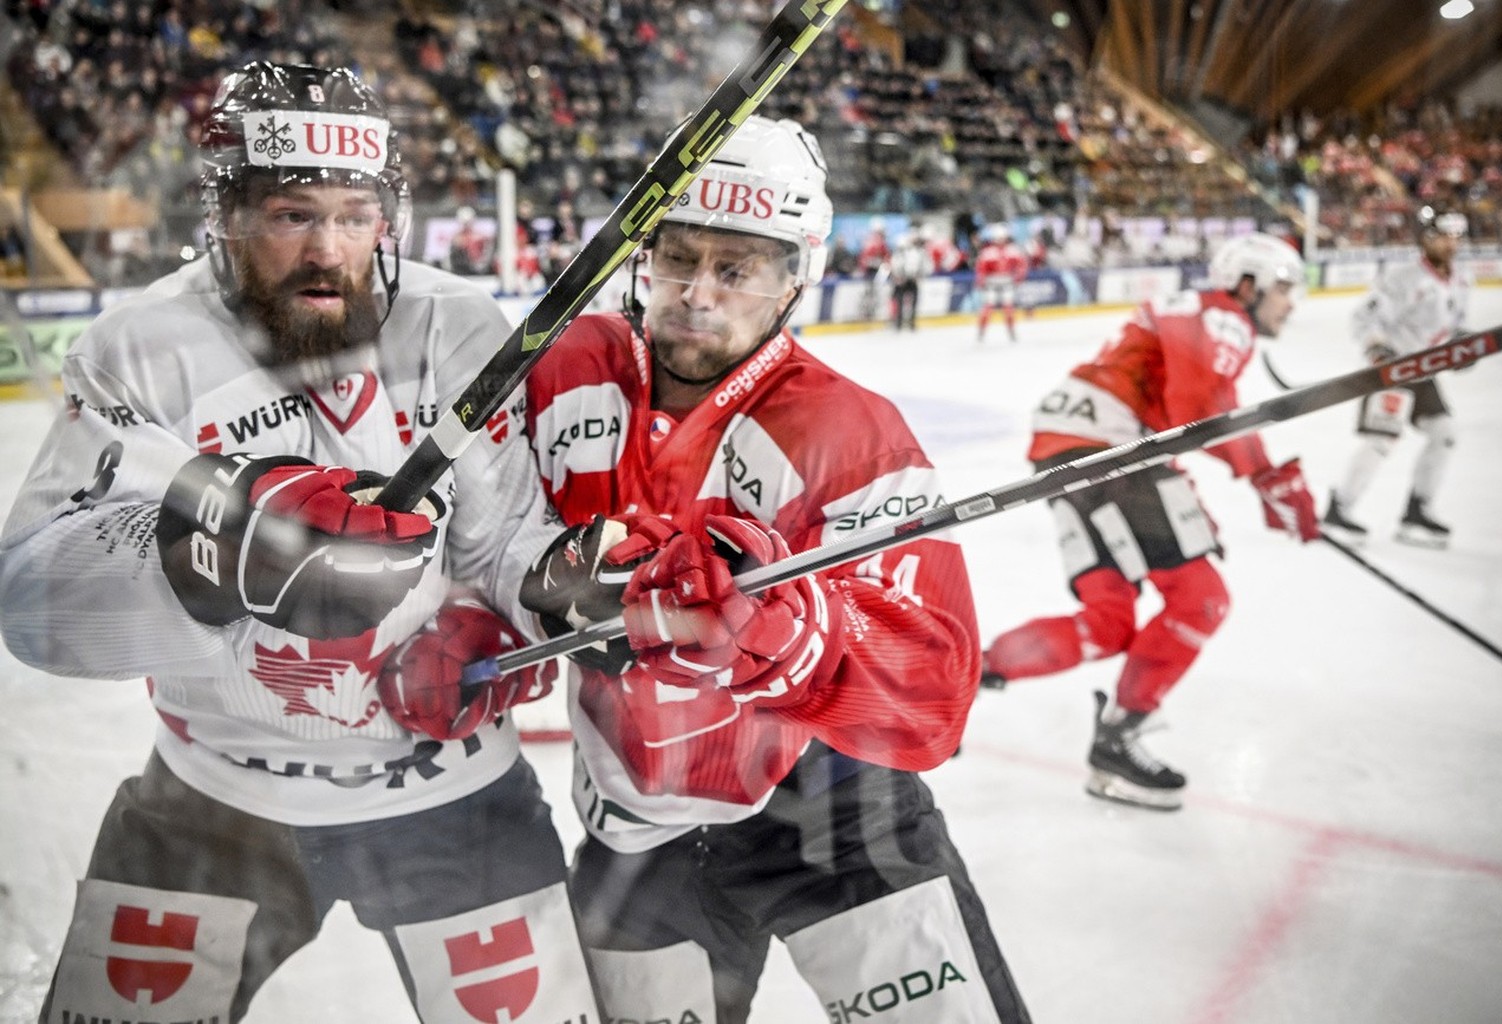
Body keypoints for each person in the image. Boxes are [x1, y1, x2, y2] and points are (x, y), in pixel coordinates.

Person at [0, 62, 603, 1023]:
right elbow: (31, 601)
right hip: (213, 799)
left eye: (355, 215)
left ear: (388, 218)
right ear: (229, 216)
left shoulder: (455, 324)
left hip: (456, 794)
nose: (329, 249)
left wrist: (525, 611)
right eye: (291, 213)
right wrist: (226, 542)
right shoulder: (140, 346)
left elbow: (499, 544)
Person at [510, 115, 1029, 1022]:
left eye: (736, 267)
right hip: (637, 842)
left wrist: (801, 632)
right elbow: (473, 539)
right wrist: (530, 578)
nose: (698, 293)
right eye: (678, 257)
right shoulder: (563, 370)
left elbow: (936, 694)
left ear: (796, 280)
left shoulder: (851, 432)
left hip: (837, 811)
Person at [979, 233, 1321, 812]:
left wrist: (1262, 473)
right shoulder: (1224, 316)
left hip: (1067, 448)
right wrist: (1270, 476)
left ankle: (962, 677)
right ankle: (1118, 740)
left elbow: (1199, 407)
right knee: (1200, 600)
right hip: (1111, 449)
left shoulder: (1195, 312)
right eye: (1284, 288)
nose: (1292, 304)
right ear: (1248, 284)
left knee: (1107, 622)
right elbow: (1202, 410)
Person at [1322, 207, 1473, 548]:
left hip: (1425, 372)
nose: (1451, 244)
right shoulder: (1404, 278)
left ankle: (1416, 512)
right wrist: (1378, 350)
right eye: (1443, 236)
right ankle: (1339, 509)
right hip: (1394, 371)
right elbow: (1365, 318)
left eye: (1456, 237)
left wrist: (1462, 349)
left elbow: (1453, 327)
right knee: (1381, 441)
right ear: (1427, 238)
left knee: (1444, 435)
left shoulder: (1463, 280)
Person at [974, 222, 1027, 343]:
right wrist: (981, 281)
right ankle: (982, 331)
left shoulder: (1012, 250)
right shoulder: (988, 252)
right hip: (991, 283)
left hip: (1007, 282)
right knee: (988, 307)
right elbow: (981, 269)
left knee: (1008, 308)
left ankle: (1011, 331)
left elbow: (1021, 265)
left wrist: (1019, 277)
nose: (1000, 241)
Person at [884, 230, 929, 331]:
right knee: (899, 302)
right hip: (901, 281)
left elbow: (918, 266)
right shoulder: (899, 254)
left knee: (912, 302)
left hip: (909, 280)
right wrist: (897, 277)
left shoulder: (914, 253)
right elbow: (894, 267)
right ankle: (899, 323)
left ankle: (910, 323)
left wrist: (917, 276)